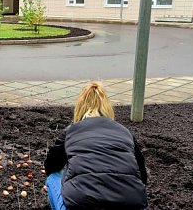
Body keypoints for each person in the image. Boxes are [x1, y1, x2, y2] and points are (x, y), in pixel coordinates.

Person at [43, 81, 148, 210]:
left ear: (80, 108)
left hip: (81, 204)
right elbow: (142, 177)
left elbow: (51, 166)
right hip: (130, 204)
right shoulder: (125, 132)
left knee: (53, 177)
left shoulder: (71, 131)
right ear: (108, 108)